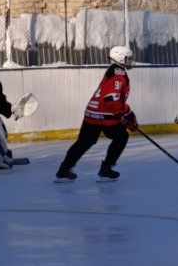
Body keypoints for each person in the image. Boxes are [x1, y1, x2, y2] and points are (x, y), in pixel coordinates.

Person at [55, 46, 137, 183]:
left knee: (84, 142)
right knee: (121, 137)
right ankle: (106, 169)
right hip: (105, 115)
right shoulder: (118, 73)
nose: (131, 61)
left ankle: (64, 169)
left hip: (92, 113)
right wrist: (125, 114)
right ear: (121, 59)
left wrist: (125, 114)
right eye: (128, 59)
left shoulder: (115, 71)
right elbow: (111, 99)